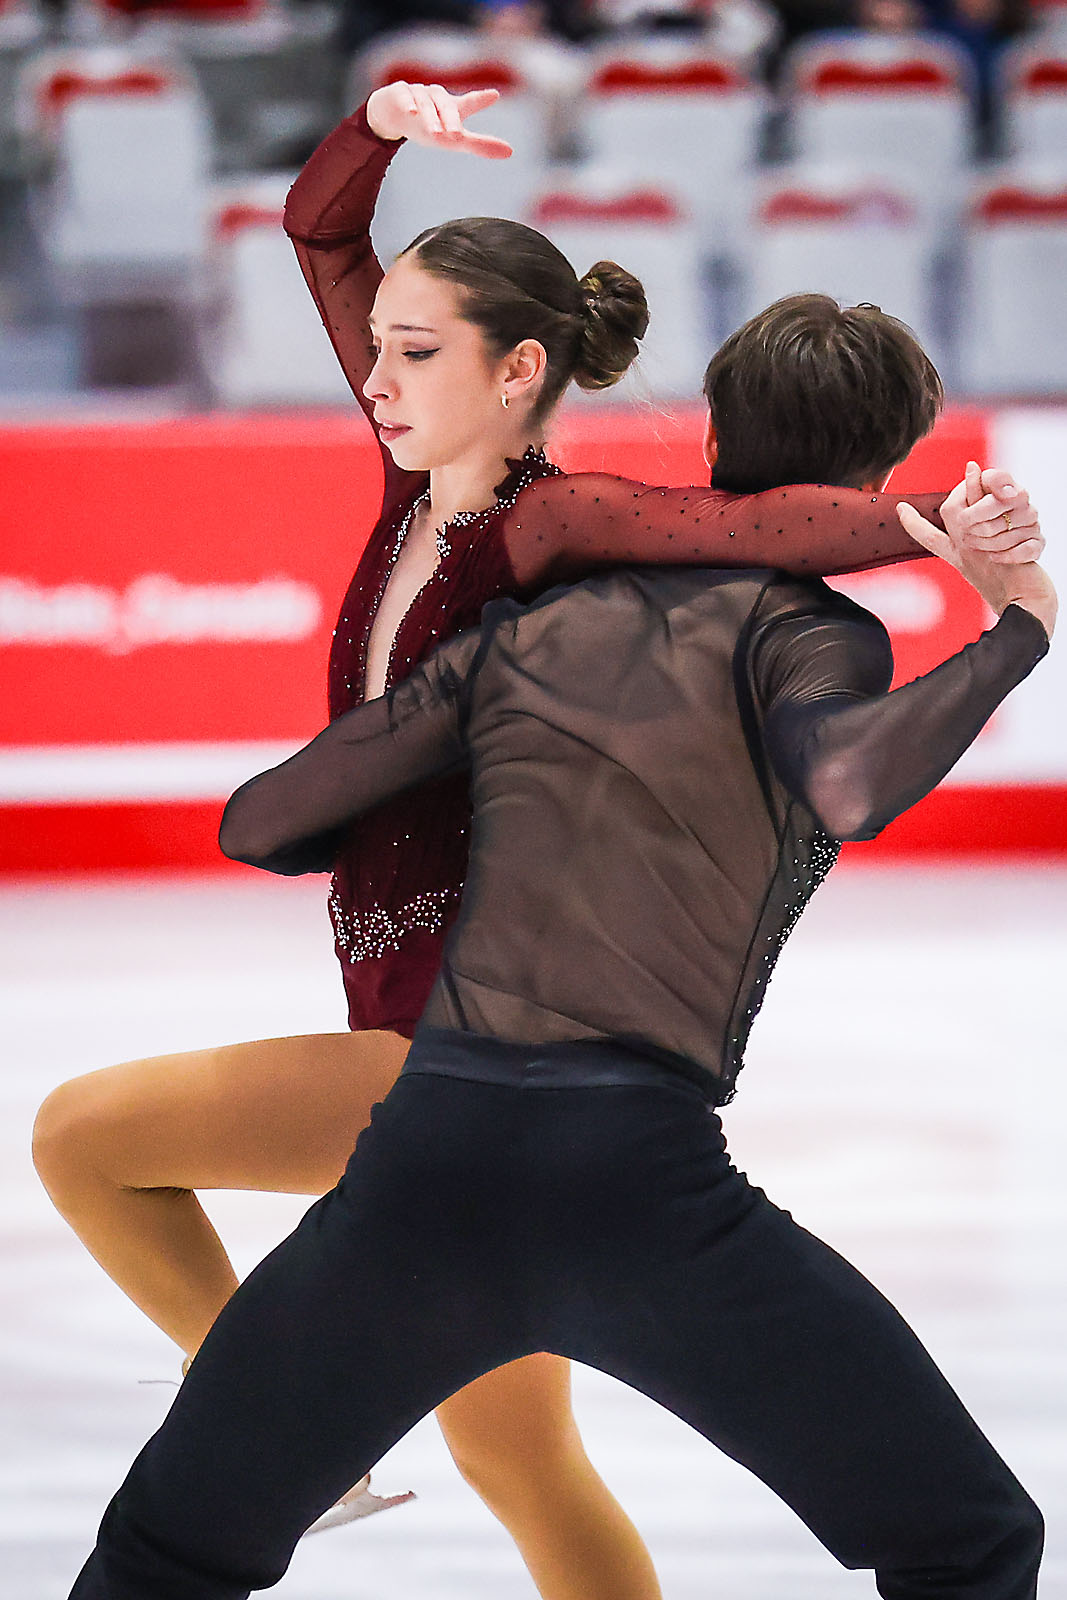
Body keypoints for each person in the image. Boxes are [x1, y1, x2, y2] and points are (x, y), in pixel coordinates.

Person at [32, 79, 1040, 1585]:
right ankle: (306, 1425)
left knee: (87, 1135)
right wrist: (375, 119)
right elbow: (321, 238)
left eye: (413, 350)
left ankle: (294, 1427)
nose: (374, 372)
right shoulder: (408, 493)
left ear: (517, 374)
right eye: (376, 348)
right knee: (530, 1465)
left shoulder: (543, 526)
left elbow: (743, 527)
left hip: (444, 1051)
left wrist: (925, 533)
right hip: (445, 1058)